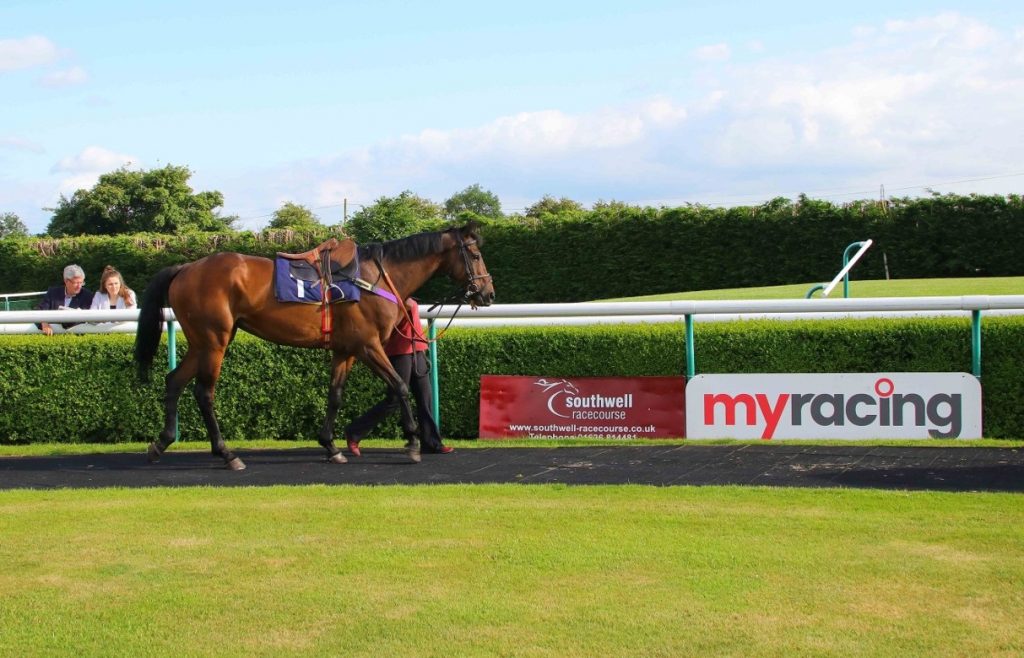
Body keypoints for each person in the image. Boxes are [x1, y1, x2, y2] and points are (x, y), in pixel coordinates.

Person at [345, 298, 453, 456]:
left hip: (417, 350)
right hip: (399, 352)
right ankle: (354, 432)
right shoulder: (388, 296)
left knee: (425, 397)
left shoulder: (406, 292)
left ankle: (431, 442)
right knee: (394, 399)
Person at [36, 263, 93, 335]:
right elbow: (40, 310)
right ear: (66, 281)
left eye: (81, 282)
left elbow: (91, 319)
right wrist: (45, 324)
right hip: (52, 337)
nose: (79, 286)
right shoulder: (53, 293)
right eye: (76, 283)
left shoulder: (87, 296)